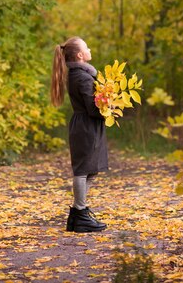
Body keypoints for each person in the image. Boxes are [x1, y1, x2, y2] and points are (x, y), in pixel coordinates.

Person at [51, 36, 108, 233]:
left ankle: (77, 213)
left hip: (86, 125)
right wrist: (109, 107)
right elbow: (92, 108)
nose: (90, 49)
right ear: (80, 55)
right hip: (86, 126)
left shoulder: (81, 75)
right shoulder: (81, 77)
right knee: (83, 170)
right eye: (87, 48)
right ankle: (80, 214)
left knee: (90, 169)